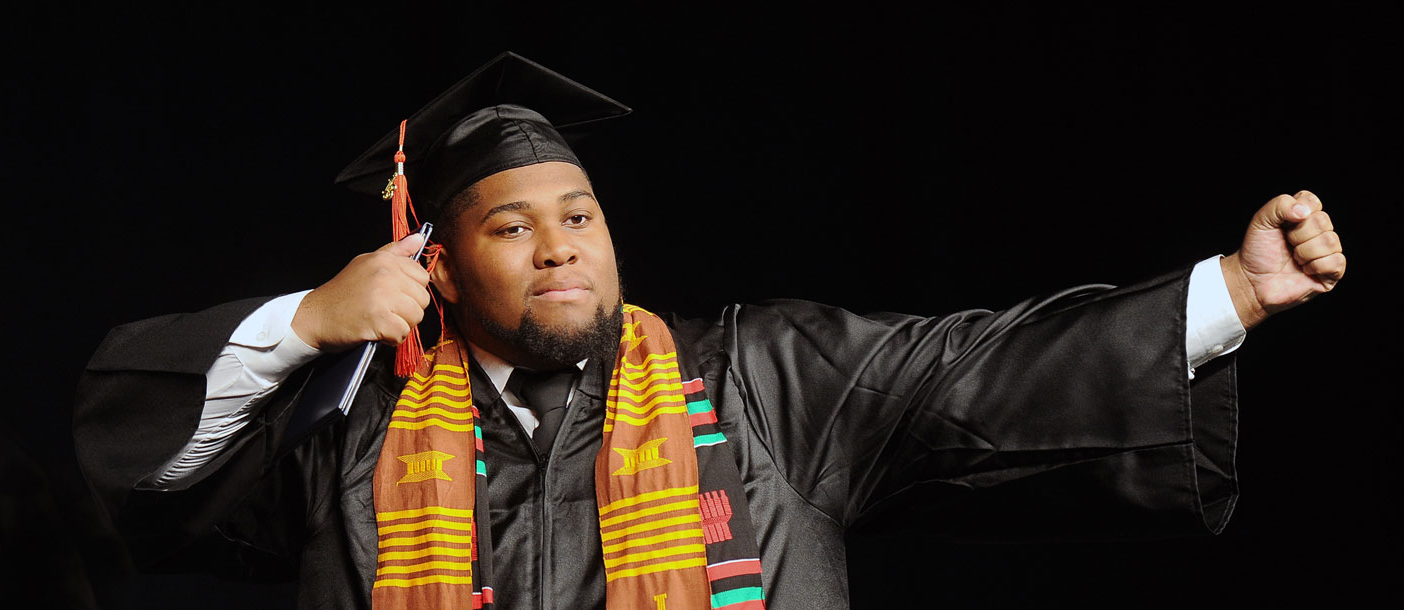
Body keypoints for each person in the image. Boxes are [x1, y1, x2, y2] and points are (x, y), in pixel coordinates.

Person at [73, 52, 1346, 610]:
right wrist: (307, 323)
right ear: (435, 266)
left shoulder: (758, 380)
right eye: (512, 227)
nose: (562, 243)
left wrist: (1227, 291)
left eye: (579, 213)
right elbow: (153, 479)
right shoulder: (351, 433)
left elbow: (976, 369)